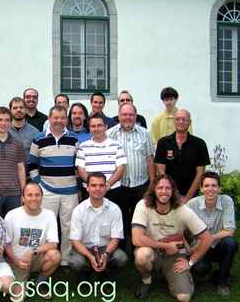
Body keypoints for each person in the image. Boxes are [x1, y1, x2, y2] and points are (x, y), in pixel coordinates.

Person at [132, 174, 213, 301]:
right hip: (152, 251)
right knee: (142, 255)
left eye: (168, 188)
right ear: (153, 190)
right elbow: (136, 239)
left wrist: (190, 262)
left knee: (184, 298)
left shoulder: (182, 209)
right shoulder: (143, 205)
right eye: (160, 188)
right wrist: (165, 246)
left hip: (175, 255)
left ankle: (173, 276)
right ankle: (146, 281)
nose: (164, 191)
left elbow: (207, 238)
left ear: (173, 191)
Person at [29, 105, 79, 266]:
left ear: (67, 119)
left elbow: (79, 166)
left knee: (68, 226)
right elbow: (32, 164)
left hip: (70, 191)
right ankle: (44, 257)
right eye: (55, 117)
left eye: (62, 118)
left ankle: (65, 259)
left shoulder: (74, 140)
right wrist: (40, 185)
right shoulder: (38, 139)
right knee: (45, 225)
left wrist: (77, 186)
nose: (59, 121)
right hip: (47, 190)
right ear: (49, 119)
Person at [107, 103, 155, 248]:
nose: (127, 118)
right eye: (124, 114)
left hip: (140, 184)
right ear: (119, 116)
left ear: (135, 116)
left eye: (130, 115)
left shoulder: (144, 133)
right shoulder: (110, 134)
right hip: (118, 186)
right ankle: (119, 250)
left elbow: (149, 159)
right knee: (119, 219)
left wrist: (152, 183)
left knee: (139, 220)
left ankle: (138, 249)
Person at [187, 172, 238, 295]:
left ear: (219, 188)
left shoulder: (226, 201)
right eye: (206, 186)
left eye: (214, 186)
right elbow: (181, 228)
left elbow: (230, 230)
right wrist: (189, 247)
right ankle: (207, 272)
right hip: (199, 247)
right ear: (201, 188)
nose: (210, 189)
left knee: (231, 243)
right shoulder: (192, 204)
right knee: (201, 269)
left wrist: (208, 238)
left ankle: (222, 281)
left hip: (219, 245)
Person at [70, 172, 127, 277]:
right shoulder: (78, 210)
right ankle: (85, 276)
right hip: (85, 248)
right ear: (87, 188)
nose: (98, 189)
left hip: (105, 248)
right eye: (93, 185)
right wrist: (90, 256)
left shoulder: (114, 209)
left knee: (121, 257)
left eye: (101, 185)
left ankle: (106, 275)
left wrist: (106, 254)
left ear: (106, 188)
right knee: (76, 261)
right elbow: (75, 241)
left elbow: (115, 239)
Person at [5, 182, 61, 285]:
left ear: (42, 197)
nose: (34, 198)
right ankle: (22, 279)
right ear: (23, 198)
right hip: (18, 259)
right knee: (18, 298)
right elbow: (6, 243)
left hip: (37, 256)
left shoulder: (49, 215)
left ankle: (40, 282)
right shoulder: (12, 215)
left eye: (37, 195)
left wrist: (32, 252)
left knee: (55, 255)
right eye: (29, 195)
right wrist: (16, 261)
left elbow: (53, 243)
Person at [155, 109, 210, 202]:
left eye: (184, 119)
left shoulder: (200, 144)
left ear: (189, 122)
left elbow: (200, 173)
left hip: (192, 197)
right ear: (174, 121)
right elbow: (161, 171)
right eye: (178, 119)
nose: (181, 122)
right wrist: (173, 194)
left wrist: (187, 198)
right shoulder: (163, 142)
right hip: (169, 195)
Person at [76, 113, 126, 203]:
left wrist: (107, 185)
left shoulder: (117, 145)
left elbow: (121, 169)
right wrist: (93, 186)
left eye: (99, 125)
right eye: (93, 126)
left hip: (112, 190)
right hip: (89, 192)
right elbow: (81, 170)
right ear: (90, 129)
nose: (96, 129)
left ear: (106, 127)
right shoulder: (83, 147)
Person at [9, 97, 39, 165]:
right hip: (8, 174)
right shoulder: (4, 131)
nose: (18, 110)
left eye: (21, 107)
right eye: (15, 108)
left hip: (29, 174)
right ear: (10, 110)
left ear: (26, 110)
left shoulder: (35, 132)